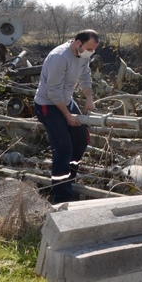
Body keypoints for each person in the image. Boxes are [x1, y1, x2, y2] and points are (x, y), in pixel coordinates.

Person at [34, 29, 99, 203]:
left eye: (94, 50)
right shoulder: (59, 58)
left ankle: (69, 179)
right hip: (48, 105)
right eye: (89, 49)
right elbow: (53, 92)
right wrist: (67, 115)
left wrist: (89, 99)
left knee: (81, 140)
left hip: (66, 101)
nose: (91, 53)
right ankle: (61, 196)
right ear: (78, 43)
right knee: (63, 149)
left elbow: (85, 76)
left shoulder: (83, 55)